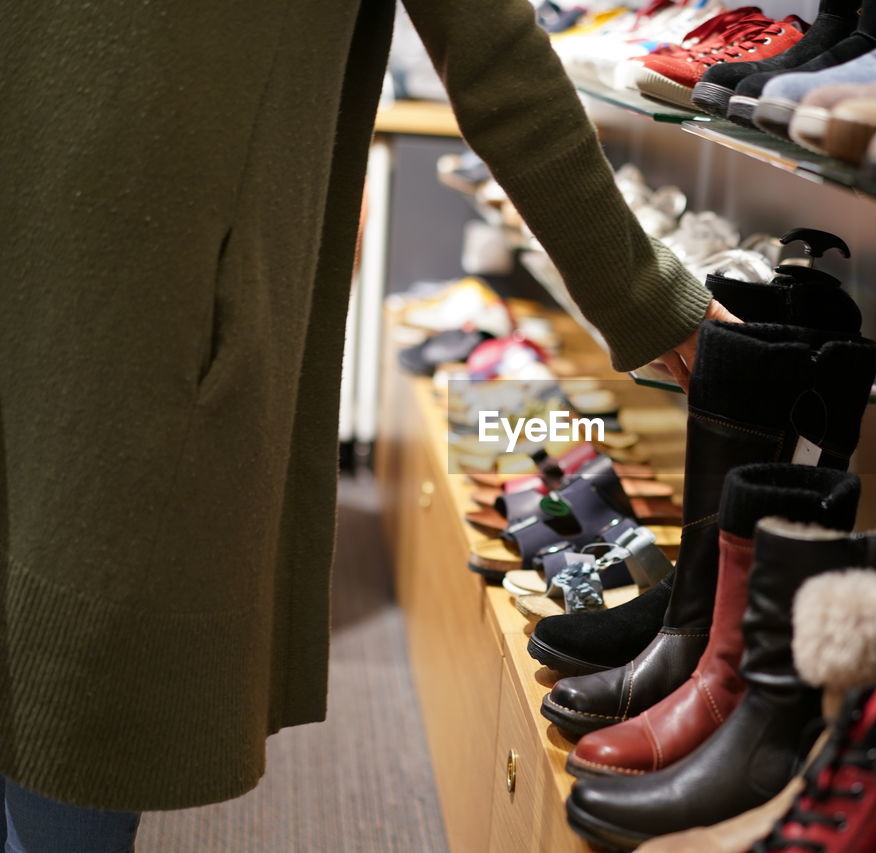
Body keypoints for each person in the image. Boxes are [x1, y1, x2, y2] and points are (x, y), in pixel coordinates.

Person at [0, 0, 739, 847]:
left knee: (69, 699)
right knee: (74, 713)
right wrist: (651, 298)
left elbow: (493, 55)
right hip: (129, 316)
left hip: (118, 309)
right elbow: (497, 55)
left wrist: (646, 296)